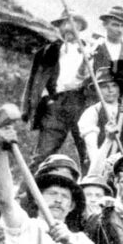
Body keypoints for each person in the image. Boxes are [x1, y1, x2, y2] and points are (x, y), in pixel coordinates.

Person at [21, 9, 93, 171]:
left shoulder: (91, 49)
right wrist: (28, 109)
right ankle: (28, 187)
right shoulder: (49, 51)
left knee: (88, 153)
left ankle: (90, 186)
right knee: (43, 154)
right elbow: (34, 81)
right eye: (63, 24)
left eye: (72, 24)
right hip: (55, 105)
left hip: (82, 104)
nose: (67, 28)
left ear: (80, 27)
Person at [77, 67, 123, 166]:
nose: (110, 90)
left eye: (114, 85)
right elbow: (92, 148)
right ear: (97, 89)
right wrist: (100, 166)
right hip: (99, 162)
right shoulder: (92, 112)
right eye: (105, 86)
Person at [90, 5, 123, 100]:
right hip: (97, 101)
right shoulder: (93, 49)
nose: (120, 30)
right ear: (105, 25)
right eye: (115, 25)